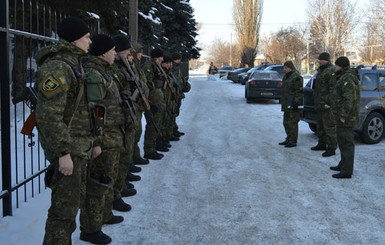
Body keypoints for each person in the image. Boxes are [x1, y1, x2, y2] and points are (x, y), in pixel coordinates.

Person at [35, 16, 96, 245]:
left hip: (77, 148)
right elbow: (48, 116)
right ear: (75, 39)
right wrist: (63, 153)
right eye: (87, 37)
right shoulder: (59, 66)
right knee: (63, 213)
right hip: (68, 151)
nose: (90, 42)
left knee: (70, 210)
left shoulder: (74, 62)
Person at [79, 34, 132, 244]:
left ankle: (105, 215)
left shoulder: (104, 72)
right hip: (104, 138)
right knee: (97, 185)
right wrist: (97, 142)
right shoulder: (94, 74)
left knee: (108, 181)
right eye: (111, 50)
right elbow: (94, 112)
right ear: (103, 53)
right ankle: (90, 229)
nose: (114, 54)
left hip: (112, 136)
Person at [329, 56, 360, 179]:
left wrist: (343, 116)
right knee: (342, 142)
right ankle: (343, 164)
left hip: (347, 118)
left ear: (341, 66)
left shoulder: (347, 77)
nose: (334, 67)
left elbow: (349, 99)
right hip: (343, 117)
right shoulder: (343, 76)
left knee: (346, 143)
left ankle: (347, 170)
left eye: (336, 65)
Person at [142, 48, 167, 160]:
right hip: (152, 101)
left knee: (156, 125)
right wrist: (150, 102)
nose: (162, 59)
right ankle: (149, 150)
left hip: (157, 100)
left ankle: (154, 146)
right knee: (152, 125)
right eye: (160, 57)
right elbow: (147, 84)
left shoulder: (157, 66)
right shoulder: (149, 67)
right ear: (156, 57)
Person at [311, 52, 337, 157]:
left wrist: (329, 103)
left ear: (326, 60)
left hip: (327, 105)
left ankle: (331, 148)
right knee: (320, 126)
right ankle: (321, 144)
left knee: (329, 127)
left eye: (321, 60)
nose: (319, 61)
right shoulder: (322, 70)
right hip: (320, 104)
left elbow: (333, 89)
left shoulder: (330, 70)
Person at [279, 61, 304, 148]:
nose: (284, 69)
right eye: (284, 68)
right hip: (287, 103)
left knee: (292, 123)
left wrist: (296, 102)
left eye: (286, 68)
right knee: (286, 122)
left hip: (293, 104)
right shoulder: (286, 76)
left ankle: (293, 141)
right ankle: (288, 139)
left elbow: (299, 91)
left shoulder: (296, 77)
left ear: (290, 68)